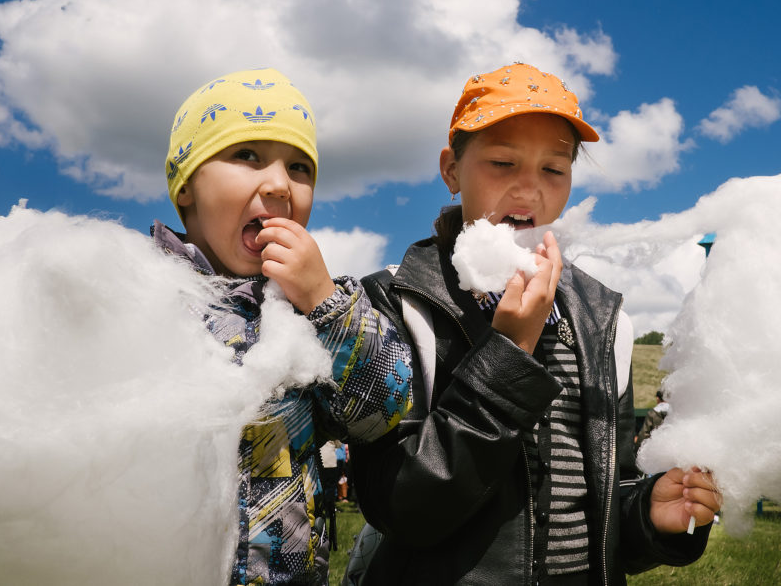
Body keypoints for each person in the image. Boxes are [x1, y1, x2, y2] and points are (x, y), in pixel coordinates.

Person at [347, 63, 720, 585]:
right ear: (451, 170)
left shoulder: (604, 320)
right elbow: (402, 508)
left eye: (554, 169)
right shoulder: (394, 302)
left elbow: (603, 505)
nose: (529, 187)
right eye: (502, 162)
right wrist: (510, 351)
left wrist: (647, 514)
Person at [155, 68, 413, 585]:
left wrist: (323, 302)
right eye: (246, 155)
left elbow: (382, 414)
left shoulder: (316, 308)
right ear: (185, 187)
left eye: (299, 167)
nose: (277, 184)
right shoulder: (139, 292)